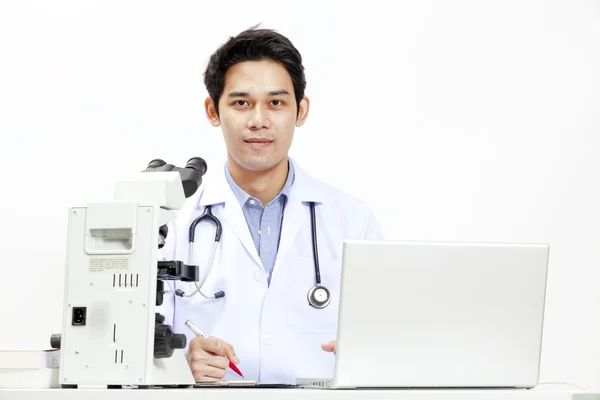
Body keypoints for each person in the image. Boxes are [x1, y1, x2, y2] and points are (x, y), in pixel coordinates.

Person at [159, 25, 384, 385]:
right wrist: (180, 362)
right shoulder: (171, 220)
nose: (259, 120)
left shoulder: (353, 221)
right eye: (241, 102)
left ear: (301, 110)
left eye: (276, 103)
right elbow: (136, 345)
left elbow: (388, 339)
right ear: (213, 111)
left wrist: (370, 355)